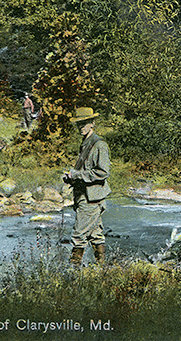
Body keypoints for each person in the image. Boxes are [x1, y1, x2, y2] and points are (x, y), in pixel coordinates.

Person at [62, 107, 111, 266]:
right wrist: (71, 178)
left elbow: (103, 172)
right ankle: (102, 270)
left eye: (85, 123)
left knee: (79, 236)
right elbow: (87, 171)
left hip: (91, 198)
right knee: (96, 235)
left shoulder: (99, 145)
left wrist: (76, 175)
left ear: (93, 124)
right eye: (79, 124)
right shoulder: (86, 143)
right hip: (86, 195)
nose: (81, 127)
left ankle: (73, 274)